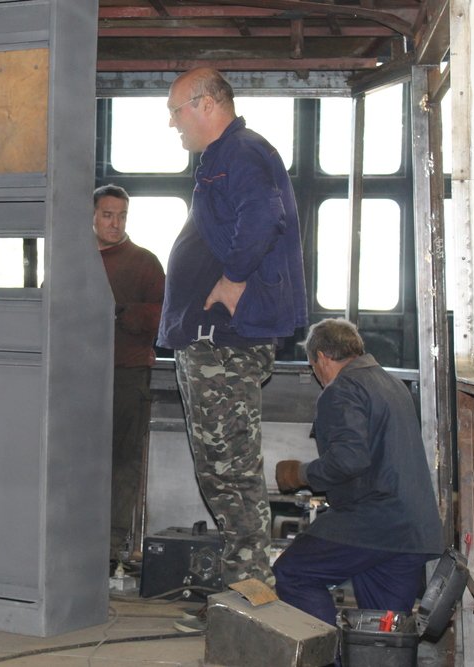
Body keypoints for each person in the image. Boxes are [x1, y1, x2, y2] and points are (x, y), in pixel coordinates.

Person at [156, 67, 307, 602]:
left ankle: (251, 597)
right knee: (219, 472)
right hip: (209, 341)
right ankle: (242, 592)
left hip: (225, 342)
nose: (173, 124)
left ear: (205, 104)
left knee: (231, 471)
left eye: (175, 111)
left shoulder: (241, 151)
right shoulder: (223, 157)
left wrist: (233, 279)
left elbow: (264, 217)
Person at [272, 318, 444, 630]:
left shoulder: (342, 389)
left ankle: (322, 652)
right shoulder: (392, 384)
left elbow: (349, 459)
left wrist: (300, 474)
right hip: (413, 530)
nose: (316, 374)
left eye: (313, 366)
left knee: (293, 573)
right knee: (383, 632)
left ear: (322, 357)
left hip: (373, 522)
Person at [93, 184, 165, 562]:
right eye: (108, 215)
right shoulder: (73, 258)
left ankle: (110, 546)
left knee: (122, 463)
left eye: (121, 216)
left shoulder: (144, 263)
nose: (115, 223)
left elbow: (164, 316)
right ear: (92, 216)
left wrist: (124, 313)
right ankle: (72, 537)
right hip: (75, 375)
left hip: (127, 375)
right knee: (74, 458)